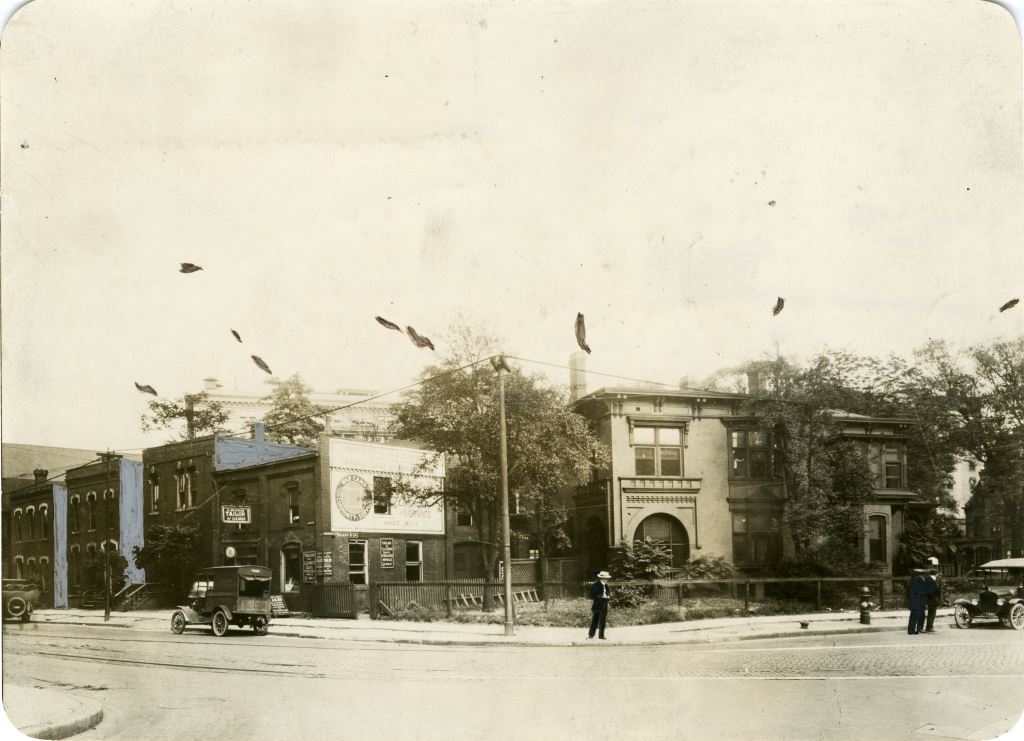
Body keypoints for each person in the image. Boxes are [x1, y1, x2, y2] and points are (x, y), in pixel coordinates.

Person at [907, 564, 937, 635]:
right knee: (917, 614)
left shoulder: (914, 580)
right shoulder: (920, 580)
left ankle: (915, 629)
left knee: (917, 614)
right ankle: (915, 629)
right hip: (918, 600)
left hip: (916, 600)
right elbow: (925, 590)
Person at [588, 570, 612, 640]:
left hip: (605, 603)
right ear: (602, 578)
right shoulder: (596, 585)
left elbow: (608, 594)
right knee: (595, 620)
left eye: (607, 579)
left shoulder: (606, 585)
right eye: (606, 578)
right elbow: (592, 595)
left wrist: (608, 600)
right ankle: (591, 635)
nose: (607, 580)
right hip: (598, 603)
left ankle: (601, 635)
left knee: (603, 620)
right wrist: (599, 597)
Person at [924, 556, 942, 633]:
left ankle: (929, 627)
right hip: (932, 598)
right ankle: (929, 627)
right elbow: (933, 590)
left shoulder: (928, 577)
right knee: (932, 613)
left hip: (931, 598)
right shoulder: (931, 579)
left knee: (931, 613)